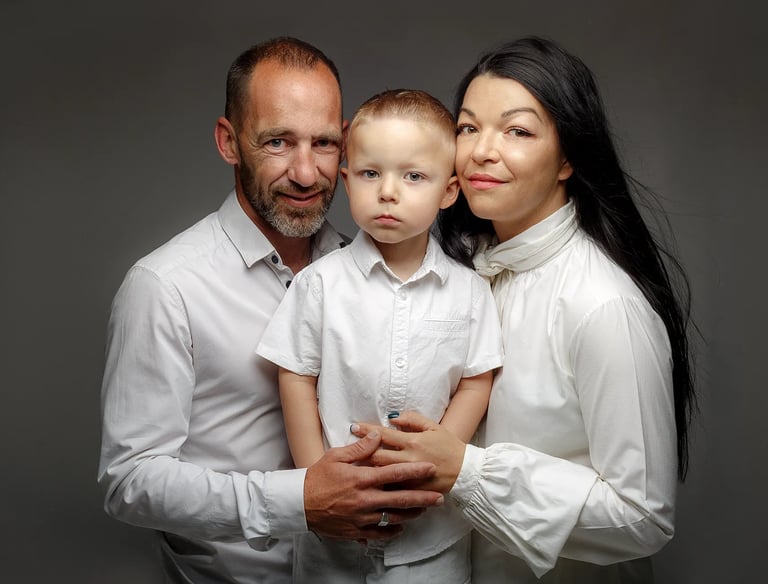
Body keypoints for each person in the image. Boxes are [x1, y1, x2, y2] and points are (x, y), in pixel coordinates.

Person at [97, 38, 444, 584]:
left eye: (325, 143)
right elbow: (130, 482)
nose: (306, 174)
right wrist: (298, 501)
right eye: (278, 142)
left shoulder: (374, 270)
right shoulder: (165, 287)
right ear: (229, 142)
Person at [352, 36, 697, 583]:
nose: (481, 151)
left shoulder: (603, 305)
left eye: (517, 130)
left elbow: (643, 517)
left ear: (567, 159)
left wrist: (466, 471)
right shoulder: (462, 273)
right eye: (468, 127)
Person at [256, 88, 504, 583]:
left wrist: (437, 458)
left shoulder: (471, 292)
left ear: (449, 191)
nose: (388, 191)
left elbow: (478, 378)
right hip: (332, 542)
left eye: (413, 176)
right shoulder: (319, 284)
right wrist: (315, 478)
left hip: (431, 537)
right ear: (347, 181)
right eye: (371, 173)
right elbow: (296, 375)